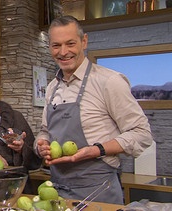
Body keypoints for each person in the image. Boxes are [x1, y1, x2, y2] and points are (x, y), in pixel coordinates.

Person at [34, 16, 153, 204]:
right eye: (56, 45)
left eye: (70, 43)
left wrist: (96, 150)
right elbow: (45, 131)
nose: (63, 52)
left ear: (84, 41)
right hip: (56, 193)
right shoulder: (51, 88)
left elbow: (142, 134)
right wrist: (41, 144)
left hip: (99, 192)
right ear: (49, 47)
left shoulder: (109, 81)